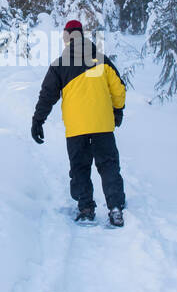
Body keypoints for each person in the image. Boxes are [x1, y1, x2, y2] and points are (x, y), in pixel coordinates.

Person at [31, 19, 127, 225]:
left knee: (80, 167)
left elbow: (47, 96)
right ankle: (116, 207)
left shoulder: (59, 65)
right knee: (109, 165)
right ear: (82, 36)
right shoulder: (102, 60)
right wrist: (117, 111)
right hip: (102, 125)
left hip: (76, 128)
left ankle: (85, 208)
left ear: (67, 37)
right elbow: (119, 89)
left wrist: (38, 121)